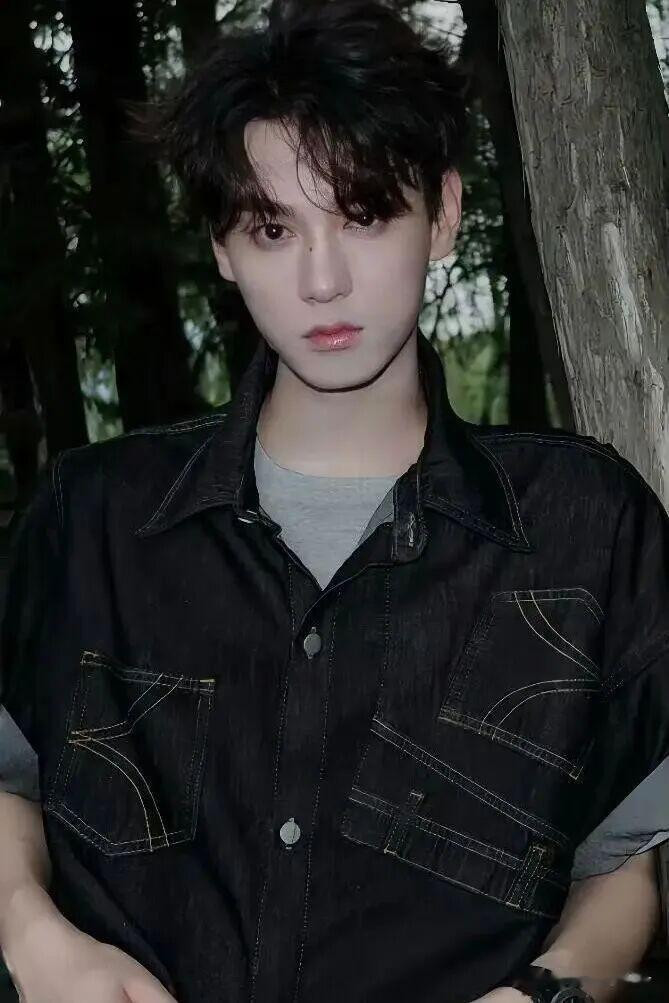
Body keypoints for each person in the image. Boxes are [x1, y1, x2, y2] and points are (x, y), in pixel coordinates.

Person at [0, 1, 668, 1001]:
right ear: (223, 249)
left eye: (363, 215)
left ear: (443, 213)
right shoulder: (88, 518)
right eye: (273, 229)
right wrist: (32, 931)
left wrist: (548, 990)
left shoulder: (586, 521)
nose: (321, 280)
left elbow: (622, 861)